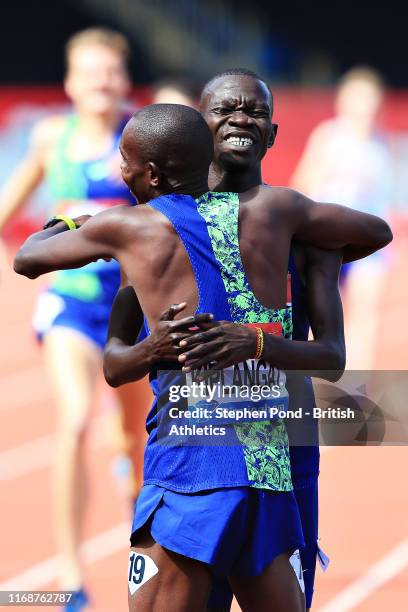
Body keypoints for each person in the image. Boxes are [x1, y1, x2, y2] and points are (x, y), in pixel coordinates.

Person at [14, 103, 392, 611]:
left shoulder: (128, 229)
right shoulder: (272, 214)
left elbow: (28, 258)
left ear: (148, 172)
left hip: (189, 469)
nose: (117, 170)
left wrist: (75, 220)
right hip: (266, 464)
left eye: (124, 161)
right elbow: (375, 233)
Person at [0, 27, 150, 608]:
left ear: (122, 76)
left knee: (134, 439)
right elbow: (8, 210)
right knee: (75, 419)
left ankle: (137, 528)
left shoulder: (143, 137)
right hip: (70, 305)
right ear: (70, 82)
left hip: (133, 309)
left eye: (110, 71)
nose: (101, 82)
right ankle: (71, 574)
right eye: (89, 72)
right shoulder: (49, 138)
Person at [291, 66, 393, 369]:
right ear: (344, 101)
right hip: (329, 240)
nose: (365, 108)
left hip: (366, 243)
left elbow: (385, 198)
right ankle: (309, 373)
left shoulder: (381, 144)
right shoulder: (329, 137)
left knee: (365, 311)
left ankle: (358, 382)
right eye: (359, 100)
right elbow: (304, 181)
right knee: (320, 310)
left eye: (371, 101)